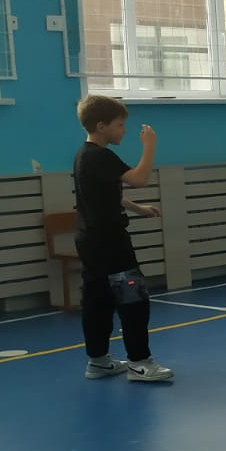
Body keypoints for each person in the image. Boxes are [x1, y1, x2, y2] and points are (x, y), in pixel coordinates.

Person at [72, 95, 173, 382]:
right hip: (110, 243)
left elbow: (106, 193)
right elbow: (139, 179)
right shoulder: (100, 155)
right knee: (133, 299)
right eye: (119, 125)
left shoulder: (84, 155)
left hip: (90, 240)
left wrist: (137, 208)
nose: (124, 130)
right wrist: (150, 145)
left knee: (98, 300)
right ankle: (139, 362)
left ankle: (99, 360)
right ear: (101, 126)